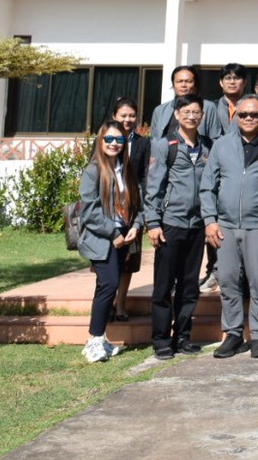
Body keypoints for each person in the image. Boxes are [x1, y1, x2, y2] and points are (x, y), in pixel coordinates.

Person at [200, 96, 258, 360]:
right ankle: (232, 334)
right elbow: (207, 186)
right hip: (226, 226)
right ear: (236, 117)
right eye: (243, 115)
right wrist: (210, 220)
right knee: (229, 282)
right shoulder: (221, 146)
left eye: (254, 114)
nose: (249, 119)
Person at [144, 92, 210, 360]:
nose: (192, 117)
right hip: (170, 223)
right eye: (186, 113)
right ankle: (161, 339)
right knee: (164, 285)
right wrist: (153, 222)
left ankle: (183, 336)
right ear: (176, 115)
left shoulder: (208, 147)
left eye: (196, 112)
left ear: (202, 115)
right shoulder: (164, 145)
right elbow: (154, 187)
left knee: (189, 285)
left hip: (197, 225)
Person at [77, 119, 141, 363]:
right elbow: (90, 211)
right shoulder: (94, 170)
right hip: (102, 239)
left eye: (119, 140)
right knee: (109, 285)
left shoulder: (125, 168)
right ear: (100, 141)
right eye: (109, 139)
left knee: (105, 287)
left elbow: (137, 203)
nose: (114, 144)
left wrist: (135, 226)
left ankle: (99, 337)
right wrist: (113, 233)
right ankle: (94, 339)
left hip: (123, 236)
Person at [111, 96, 149, 323]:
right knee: (105, 259)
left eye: (131, 115)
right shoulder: (105, 139)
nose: (127, 119)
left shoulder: (143, 143)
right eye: (123, 115)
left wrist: (141, 213)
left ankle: (121, 303)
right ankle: (106, 302)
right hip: (108, 209)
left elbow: (145, 176)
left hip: (132, 210)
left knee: (128, 260)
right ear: (115, 116)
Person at [148, 65, 200, 143]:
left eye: (188, 81)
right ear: (173, 84)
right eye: (179, 81)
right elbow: (153, 138)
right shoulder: (160, 110)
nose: (183, 85)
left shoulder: (208, 108)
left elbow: (214, 138)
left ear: (195, 84)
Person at [204, 63, 250, 142]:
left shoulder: (252, 108)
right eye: (228, 78)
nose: (232, 82)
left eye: (236, 78)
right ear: (221, 83)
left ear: (245, 82)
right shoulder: (211, 108)